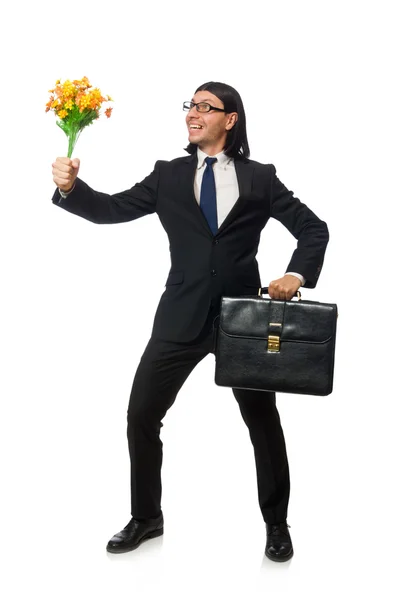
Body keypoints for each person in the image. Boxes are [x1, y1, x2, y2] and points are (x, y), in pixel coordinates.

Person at [51, 81, 329, 562]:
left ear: (231, 119)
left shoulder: (260, 177)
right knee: (141, 415)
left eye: (205, 106)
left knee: (262, 422)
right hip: (179, 316)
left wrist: (296, 272)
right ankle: (146, 518)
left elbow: (312, 227)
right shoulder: (169, 175)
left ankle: (277, 526)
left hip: (241, 319)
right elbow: (110, 209)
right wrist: (70, 188)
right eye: (190, 105)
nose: (193, 113)